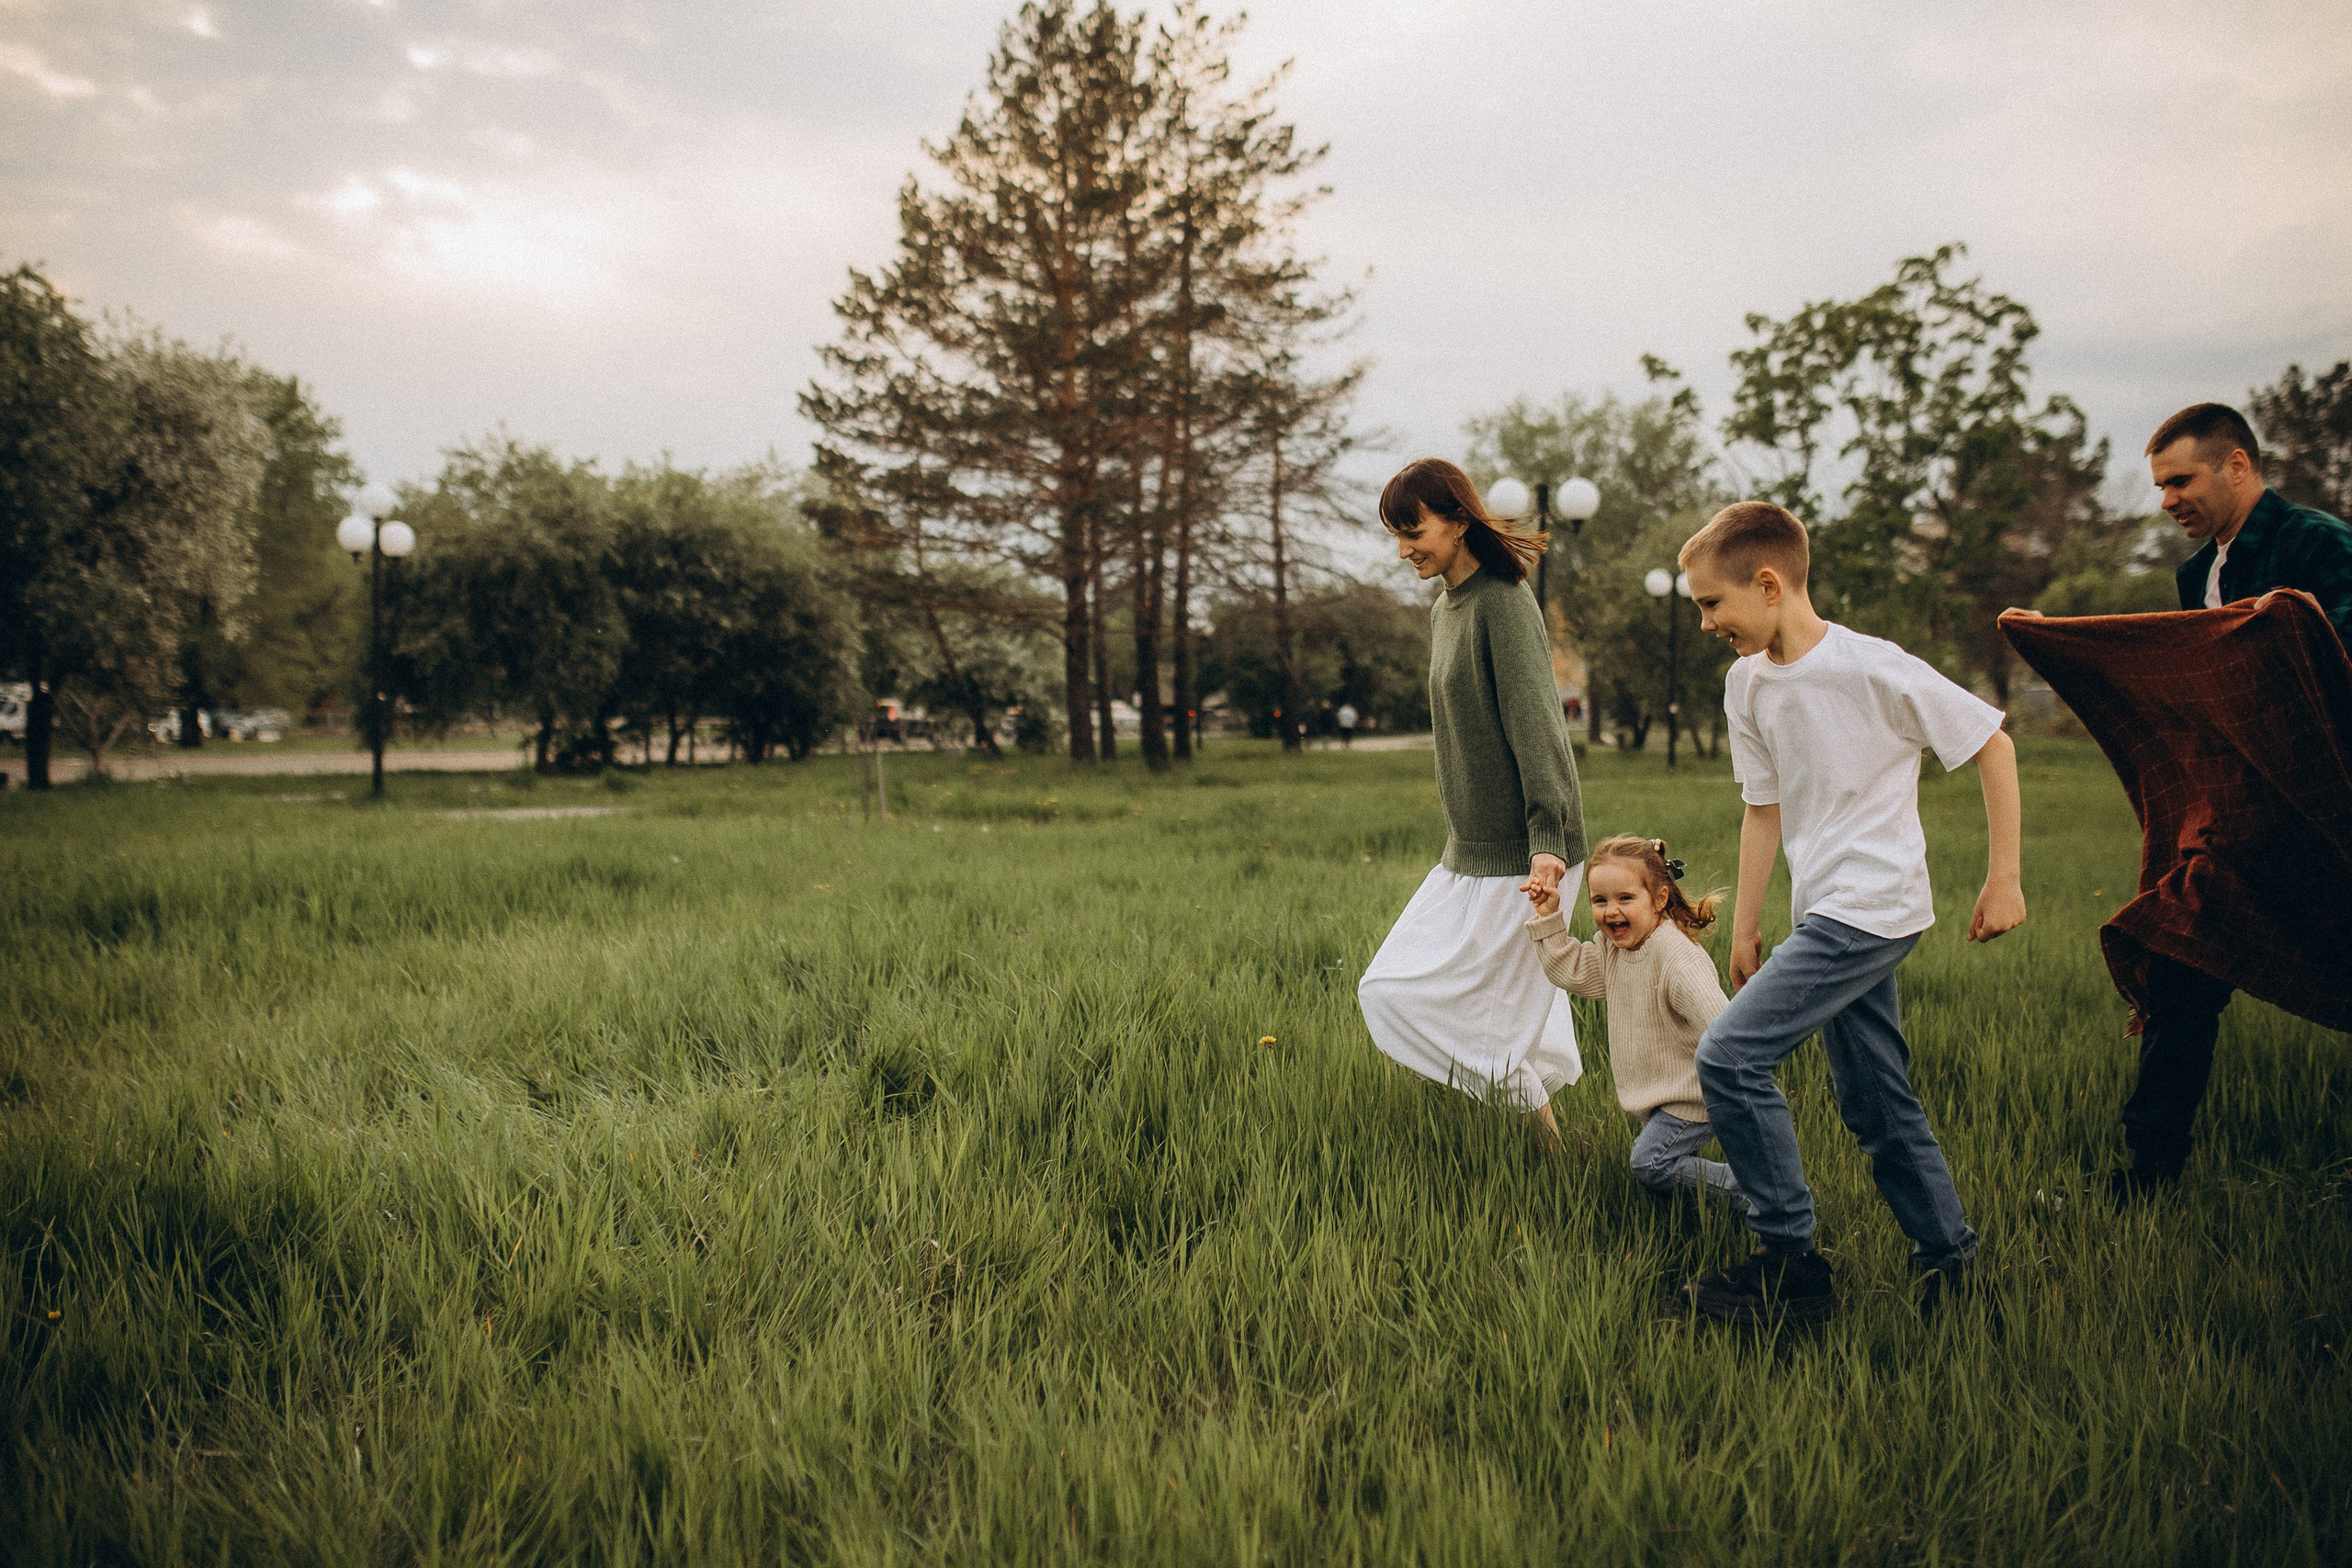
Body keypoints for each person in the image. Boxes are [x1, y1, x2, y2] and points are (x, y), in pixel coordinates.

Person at [1673, 502, 2026, 1324]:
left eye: (1713, 603)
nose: (1705, 623)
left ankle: (1790, 1263)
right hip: (1826, 909)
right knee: (1875, 1100)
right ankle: (1955, 1272)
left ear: (1769, 584)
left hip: (1873, 906)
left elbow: (1993, 743)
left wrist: (2003, 877)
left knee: (1729, 1055)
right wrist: (1747, 924)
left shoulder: (1873, 668)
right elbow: (1764, 809)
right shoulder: (1746, 682)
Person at [2096, 403, 2352, 1196]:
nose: (2168, 499)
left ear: (2237, 465)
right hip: (2246, 824)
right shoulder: (2195, 575)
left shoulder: (2316, 545)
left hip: (2330, 820)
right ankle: (2148, 1175)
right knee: (2179, 956)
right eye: (2159, 486)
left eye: (2181, 480)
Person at [1358, 457, 1589, 1152]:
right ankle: (1557, 1154)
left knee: (1456, 1008)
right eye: (1397, 537)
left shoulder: (1503, 602)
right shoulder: (1447, 608)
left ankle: (1558, 1157)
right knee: (1394, 987)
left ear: (1459, 521)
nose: (1404, 550)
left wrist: (1547, 840)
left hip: (1526, 855)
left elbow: (1538, 725)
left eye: (1414, 532)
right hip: (1469, 853)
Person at [1525, 836, 1745, 1209]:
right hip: (1663, 1094)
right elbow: (1571, 969)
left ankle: (1756, 1194)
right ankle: (1691, 1216)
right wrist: (1548, 916)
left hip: (1694, 1095)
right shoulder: (1615, 950)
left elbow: (1725, 1029)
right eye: (1600, 900)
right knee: (1667, 1171)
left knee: (1652, 1162)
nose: (1611, 911)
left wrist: (1741, 1091)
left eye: (1625, 898)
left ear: (1659, 899)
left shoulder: (1676, 959)